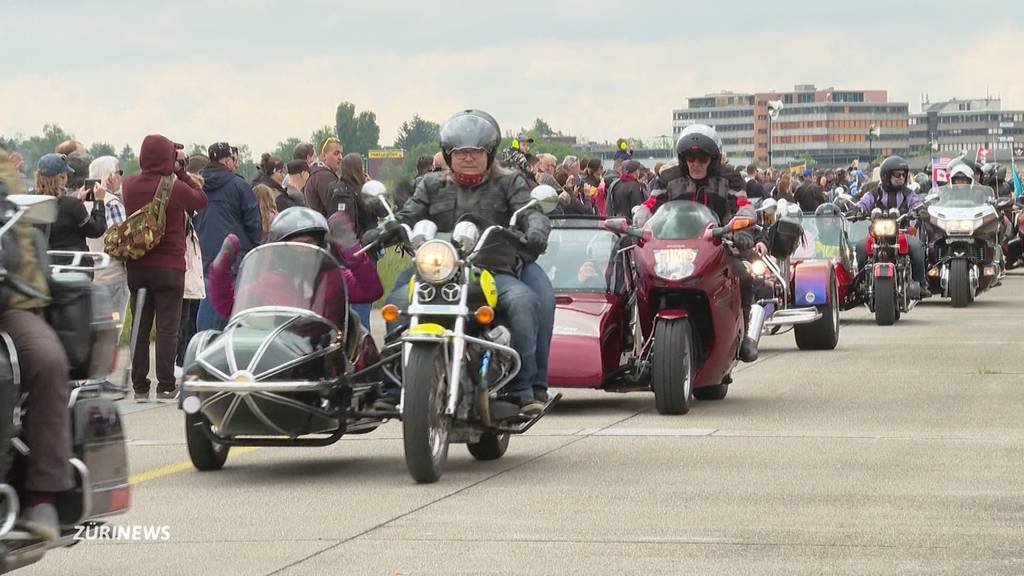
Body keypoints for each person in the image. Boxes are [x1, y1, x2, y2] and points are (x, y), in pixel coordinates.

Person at [374, 109, 553, 415]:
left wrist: (536, 229)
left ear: (490, 153)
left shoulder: (510, 183)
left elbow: (529, 212)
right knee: (396, 304)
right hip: (437, 271)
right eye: (460, 153)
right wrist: (385, 229)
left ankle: (523, 388)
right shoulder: (431, 185)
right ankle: (393, 387)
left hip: (492, 270)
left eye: (475, 152)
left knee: (524, 302)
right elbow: (409, 214)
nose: (468, 158)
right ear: (448, 154)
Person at [635, 124, 761, 363]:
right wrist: (639, 227)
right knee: (638, 276)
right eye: (690, 157)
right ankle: (633, 336)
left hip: (717, 245)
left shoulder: (730, 179)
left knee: (743, 275)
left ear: (712, 159)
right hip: (669, 247)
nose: (696, 163)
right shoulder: (668, 178)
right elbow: (649, 207)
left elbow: (744, 206)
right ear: (683, 159)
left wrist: (743, 229)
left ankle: (745, 336)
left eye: (702, 157)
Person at [0, 146, 73, 540]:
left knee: (46, 357)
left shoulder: (2, 169)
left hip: (6, 299)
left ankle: (41, 495)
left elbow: (13, 228)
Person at [122, 135, 208, 401]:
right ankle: (166, 384)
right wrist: (181, 171)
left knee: (140, 323)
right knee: (168, 327)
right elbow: (201, 200)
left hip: (138, 264)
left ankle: (139, 384)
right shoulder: (174, 187)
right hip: (170, 266)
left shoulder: (129, 185)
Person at [207, 208, 382, 322]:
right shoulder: (269, 282)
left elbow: (371, 291)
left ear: (321, 245)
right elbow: (229, 307)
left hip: (325, 356)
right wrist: (221, 268)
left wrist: (352, 250)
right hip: (282, 358)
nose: (304, 250)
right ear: (280, 249)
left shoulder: (334, 277)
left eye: (310, 243)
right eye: (296, 244)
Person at [194, 141, 261, 331]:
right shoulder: (239, 185)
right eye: (233, 159)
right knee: (233, 314)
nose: (235, 163)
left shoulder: (196, 185)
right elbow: (253, 222)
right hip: (234, 257)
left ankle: (203, 350)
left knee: (207, 315)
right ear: (226, 160)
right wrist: (256, 248)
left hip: (205, 258)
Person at [850, 155, 930, 298]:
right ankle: (861, 283)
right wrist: (857, 210)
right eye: (897, 174)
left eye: (903, 175)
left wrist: (921, 210)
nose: (901, 177)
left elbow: (916, 202)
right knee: (861, 247)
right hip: (877, 233)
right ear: (886, 175)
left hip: (901, 232)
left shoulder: (907, 193)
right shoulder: (876, 192)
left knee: (917, 246)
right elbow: (864, 202)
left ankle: (920, 282)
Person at [85, 156, 129, 323]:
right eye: (119, 172)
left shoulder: (84, 202)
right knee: (113, 328)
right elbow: (121, 240)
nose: (120, 177)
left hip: (91, 274)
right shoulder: (112, 203)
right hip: (113, 274)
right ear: (110, 176)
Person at [36, 153, 107, 254]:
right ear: (61, 177)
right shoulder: (72, 205)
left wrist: (78, 201)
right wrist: (98, 201)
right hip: (73, 265)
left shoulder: (32, 203)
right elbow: (96, 230)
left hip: (44, 263)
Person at [303, 137, 343, 217]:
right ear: (324, 156)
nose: (340, 157)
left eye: (341, 153)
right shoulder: (324, 176)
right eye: (336, 153)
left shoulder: (316, 173)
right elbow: (335, 209)